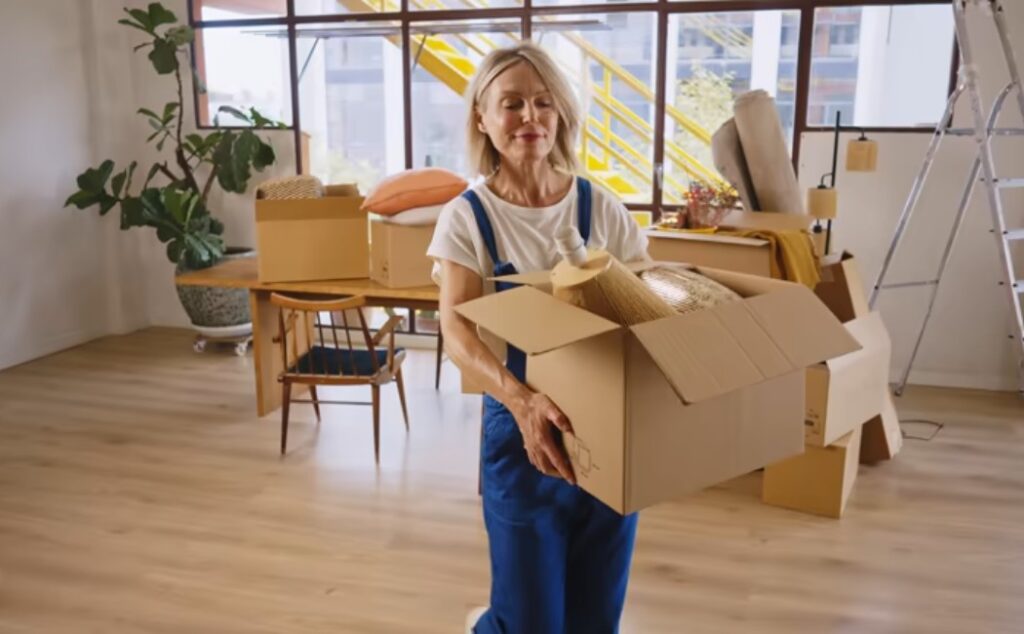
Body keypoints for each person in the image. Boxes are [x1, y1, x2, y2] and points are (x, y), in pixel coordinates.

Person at [426, 42, 649, 634]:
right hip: (518, 425)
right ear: (483, 117)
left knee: (596, 615)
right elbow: (455, 325)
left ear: (562, 115)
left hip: (607, 424)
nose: (530, 117)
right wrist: (522, 401)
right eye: (513, 103)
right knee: (530, 621)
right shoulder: (468, 217)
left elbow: (646, 308)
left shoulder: (600, 207)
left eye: (544, 102)